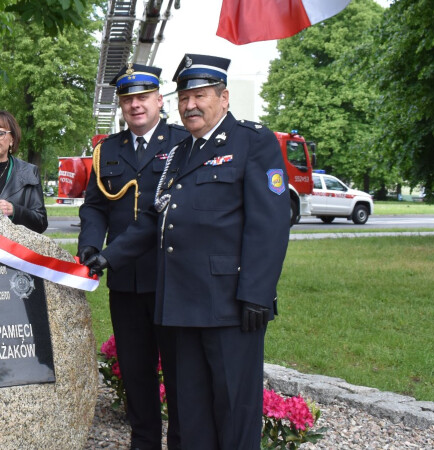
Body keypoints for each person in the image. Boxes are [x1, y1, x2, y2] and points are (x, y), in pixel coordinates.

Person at [84, 54, 290, 449]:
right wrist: (108, 257)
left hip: (231, 306)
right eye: (185, 97)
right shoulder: (182, 154)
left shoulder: (253, 142)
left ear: (223, 97)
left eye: (200, 96)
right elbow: (153, 219)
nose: (190, 105)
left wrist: (257, 293)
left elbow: (270, 224)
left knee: (233, 407)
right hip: (181, 303)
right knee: (191, 411)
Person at [78, 64, 188, 450]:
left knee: (178, 374)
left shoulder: (182, 143)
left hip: (170, 278)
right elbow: (94, 207)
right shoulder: (107, 149)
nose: (135, 106)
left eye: (143, 97)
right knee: (137, 373)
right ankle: (143, 443)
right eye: (128, 100)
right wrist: (90, 246)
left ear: (160, 100)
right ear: (122, 106)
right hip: (125, 282)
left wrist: (109, 255)